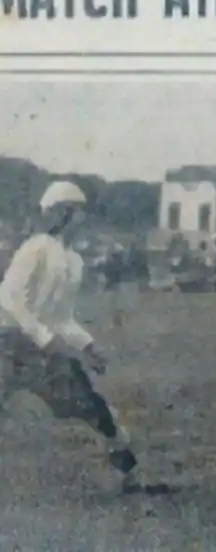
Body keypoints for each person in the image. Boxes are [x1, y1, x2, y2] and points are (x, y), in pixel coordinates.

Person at [0, 181, 149, 494]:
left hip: (37, 348)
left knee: (89, 402)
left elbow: (61, 317)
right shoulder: (36, 247)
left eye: (81, 211)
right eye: (73, 210)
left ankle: (127, 473)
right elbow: (10, 299)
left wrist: (88, 345)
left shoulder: (74, 260)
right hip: (7, 340)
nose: (81, 218)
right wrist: (44, 338)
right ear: (60, 213)